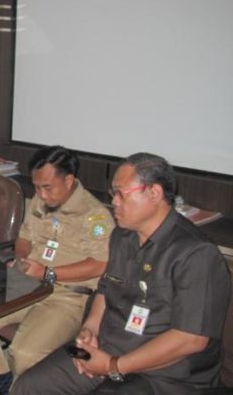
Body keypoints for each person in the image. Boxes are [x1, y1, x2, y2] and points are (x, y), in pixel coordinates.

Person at [12, 153, 231, 395]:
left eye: (120, 193)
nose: (113, 201)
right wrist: (90, 330)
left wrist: (113, 366)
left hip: (166, 374)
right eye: (112, 194)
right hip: (111, 347)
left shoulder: (195, 254)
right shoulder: (122, 237)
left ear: (154, 193)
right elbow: (105, 289)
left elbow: (190, 339)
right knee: (29, 386)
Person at [0, 146, 114, 392]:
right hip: (28, 282)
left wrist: (48, 273)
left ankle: (18, 384)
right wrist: (22, 260)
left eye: (47, 187)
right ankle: (7, 382)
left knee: (24, 354)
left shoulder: (95, 216)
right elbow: (24, 238)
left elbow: (100, 264)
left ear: (69, 180)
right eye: (36, 187)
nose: (40, 194)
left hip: (67, 295)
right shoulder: (40, 201)